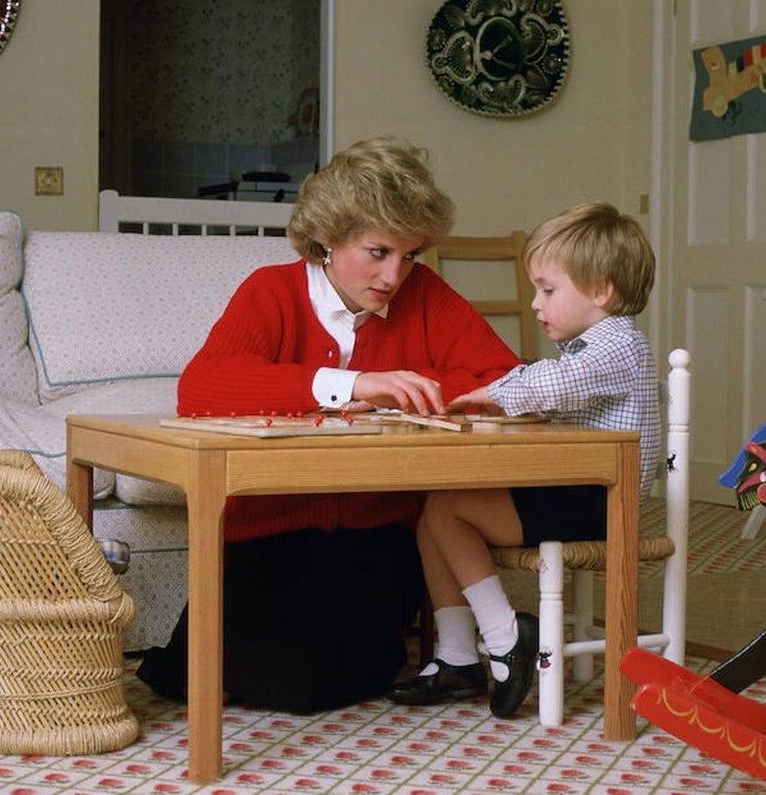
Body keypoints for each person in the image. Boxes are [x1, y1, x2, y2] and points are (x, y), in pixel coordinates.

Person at [136, 136, 521, 713]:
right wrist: (350, 384)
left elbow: (506, 378)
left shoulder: (426, 296)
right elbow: (202, 387)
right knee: (216, 672)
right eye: (378, 252)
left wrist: (420, 384)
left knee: (314, 685)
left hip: (374, 534)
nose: (395, 275)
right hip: (265, 528)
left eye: (409, 255)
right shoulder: (271, 291)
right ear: (327, 238)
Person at [389, 201, 661, 719]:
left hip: (600, 499)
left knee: (449, 510)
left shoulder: (616, 345)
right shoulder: (588, 349)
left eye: (548, 290)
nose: (537, 304)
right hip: (578, 491)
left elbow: (546, 384)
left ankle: (506, 635)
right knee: (433, 514)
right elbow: (540, 381)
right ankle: (457, 658)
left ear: (601, 291)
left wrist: (486, 395)